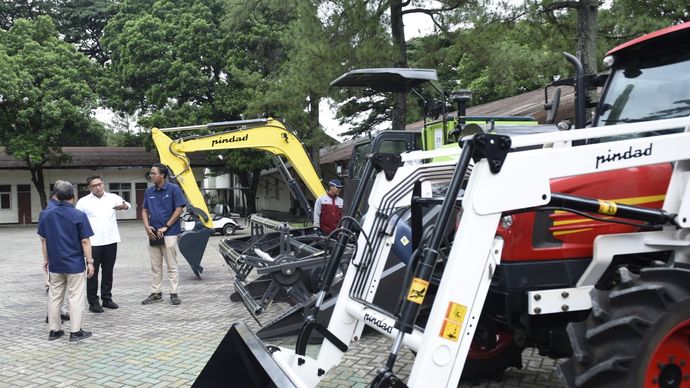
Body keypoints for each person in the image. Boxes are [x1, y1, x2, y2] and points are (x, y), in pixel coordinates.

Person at [38, 180, 95, 341]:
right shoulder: (78, 215)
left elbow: (44, 239)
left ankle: (54, 330)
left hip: (55, 263)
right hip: (74, 264)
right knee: (75, 297)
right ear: (73, 196)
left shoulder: (46, 214)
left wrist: (46, 259)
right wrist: (90, 262)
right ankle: (76, 332)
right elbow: (85, 241)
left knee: (55, 297)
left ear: (56, 195)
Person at [76, 175, 130, 313]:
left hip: (111, 240)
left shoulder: (112, 197)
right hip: (93, 243)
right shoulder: (83, 202)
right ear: (89, 187)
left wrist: (123, 206)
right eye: (95, 185)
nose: (99, 187)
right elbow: (76, 220)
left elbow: (127, 205)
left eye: (100, 184)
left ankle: (107, 298)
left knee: (108, 271)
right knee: (92, 273)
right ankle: (93, 301)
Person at [141, 163, 187, 305]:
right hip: (153, 233)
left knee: (171, 265)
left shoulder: (174, 189)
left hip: (169, 233)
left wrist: (166, 226)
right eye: (151, 173)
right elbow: (144, 210)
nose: (151, 175)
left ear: (162, 175)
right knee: (155, 266)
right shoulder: (149, 192)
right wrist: (147, 227)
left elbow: (179, 209)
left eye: (154, 173)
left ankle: (174, 293)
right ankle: (156, 294)